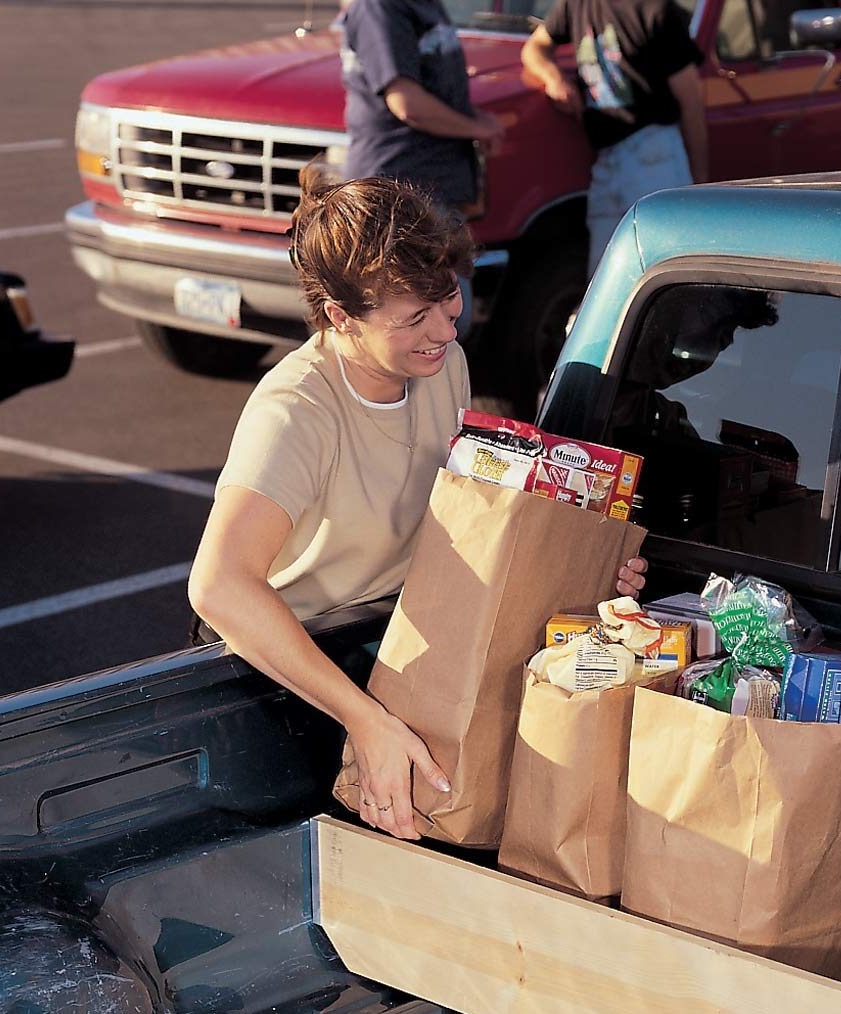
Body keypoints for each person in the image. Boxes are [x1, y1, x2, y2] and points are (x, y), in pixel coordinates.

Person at [189, 170, 647, 840]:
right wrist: (366, 720)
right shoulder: (296, 412)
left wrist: (584, 569)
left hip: (385, 647)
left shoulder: (442, 367)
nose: (441, 330)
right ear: (341, 316)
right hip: (280, 676)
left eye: (448, 302)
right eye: (413, 318)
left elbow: (461, 525)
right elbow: (220, 586)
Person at [338, 0, 506, 334]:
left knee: (448, 320)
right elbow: (406, 102)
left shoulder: (427, 6)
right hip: (399, 196)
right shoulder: (380, 8)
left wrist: (474, 117)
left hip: (434, 192)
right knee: (416, 328)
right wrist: (476, 128)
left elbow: (431, 89)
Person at [521, 0, 709, 276]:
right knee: (607, 282)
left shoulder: (655, 10)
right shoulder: (576, 5)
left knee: (665, 275)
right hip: (607, 161)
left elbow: (691, 100)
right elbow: (535, 47)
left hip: (654, 156)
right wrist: (553, 77)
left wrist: (700, 187)